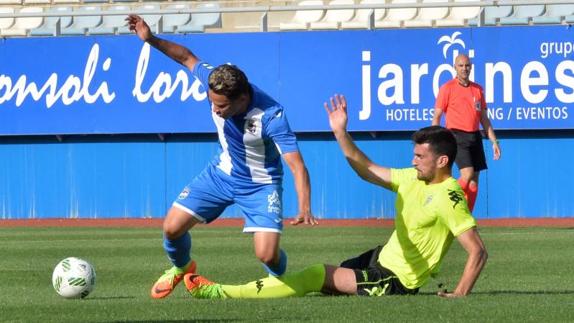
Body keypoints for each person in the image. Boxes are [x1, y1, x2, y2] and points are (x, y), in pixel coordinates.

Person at [181, 94, 488, 299]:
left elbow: (478, 251)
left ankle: (223, 292)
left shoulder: (449, 196)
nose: (413, 161)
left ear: (443, 162)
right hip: (380, 257)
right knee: (330, 281)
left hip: (395, 280)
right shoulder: (414, 177)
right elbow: (366, 169)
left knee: (317, 274)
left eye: (420, 156)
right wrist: (341, 132)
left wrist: (460, 294)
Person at [126, 15, 318, 299]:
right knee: (171, 228)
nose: (215, 110)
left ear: (242, 99)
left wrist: (304, 207)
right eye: (212, 102)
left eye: (222, 106)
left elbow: (297, 166)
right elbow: (186, 57)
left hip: (261, 185)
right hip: (222, 174)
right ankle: (181, 267)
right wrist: (150, 39)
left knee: (266, 255)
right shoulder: (216, 79)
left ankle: (280, 278)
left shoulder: (272, 116)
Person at [432, 53, 501, 212]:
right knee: (467, 173)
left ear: (471, 67)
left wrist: (494, 142)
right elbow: (437, 116)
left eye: (467, 65)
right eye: (461, 66)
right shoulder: (447, 88)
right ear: (455, 67)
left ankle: (465, 218)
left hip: (474, 136)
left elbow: (484, 119)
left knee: (474, 183)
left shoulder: (478, 89)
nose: (464, 69)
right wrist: (436, 140)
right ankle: (445, 199)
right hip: (456, 135)